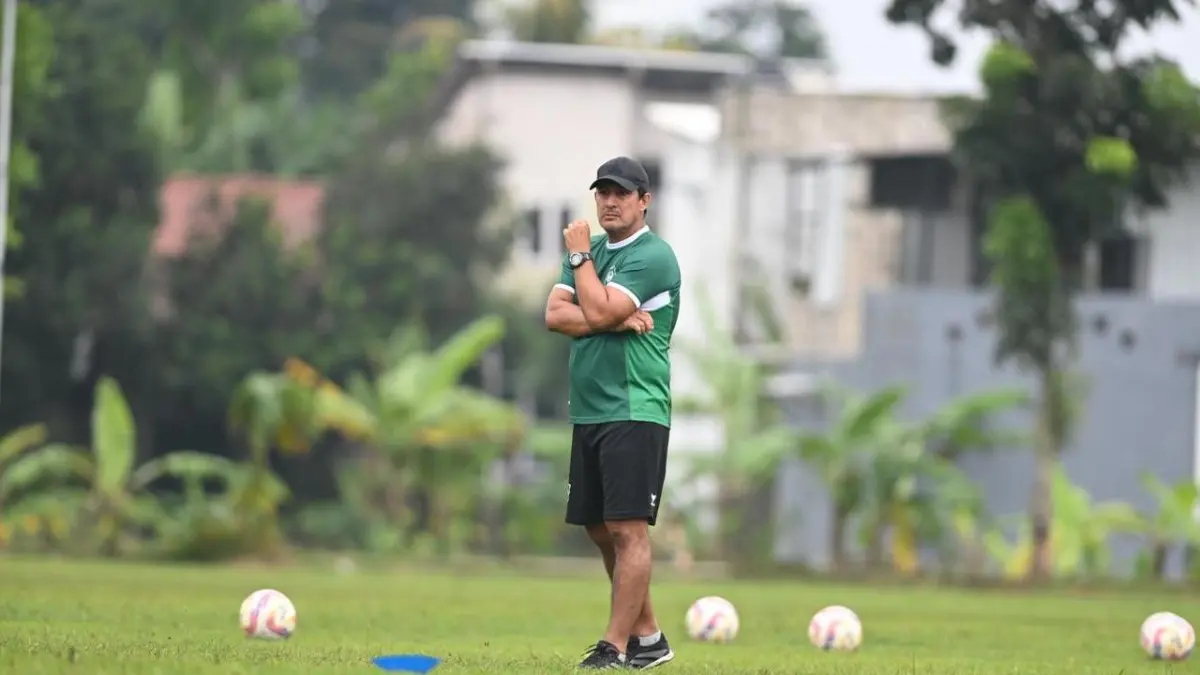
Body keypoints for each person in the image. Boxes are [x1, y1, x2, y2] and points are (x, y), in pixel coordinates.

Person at [544, 156, 682, 670]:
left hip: (634, 406)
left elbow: (594, 309)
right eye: (602, 192)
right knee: (600, 529)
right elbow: (554, 316)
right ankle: (648, 637)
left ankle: (614, 646)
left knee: (628, 529)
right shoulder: (593, 252)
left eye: (621, 193)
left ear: (644, 201)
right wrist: (615, 321)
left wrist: (581, 261)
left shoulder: (653, 256)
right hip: (590, 410)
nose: (609, 201)